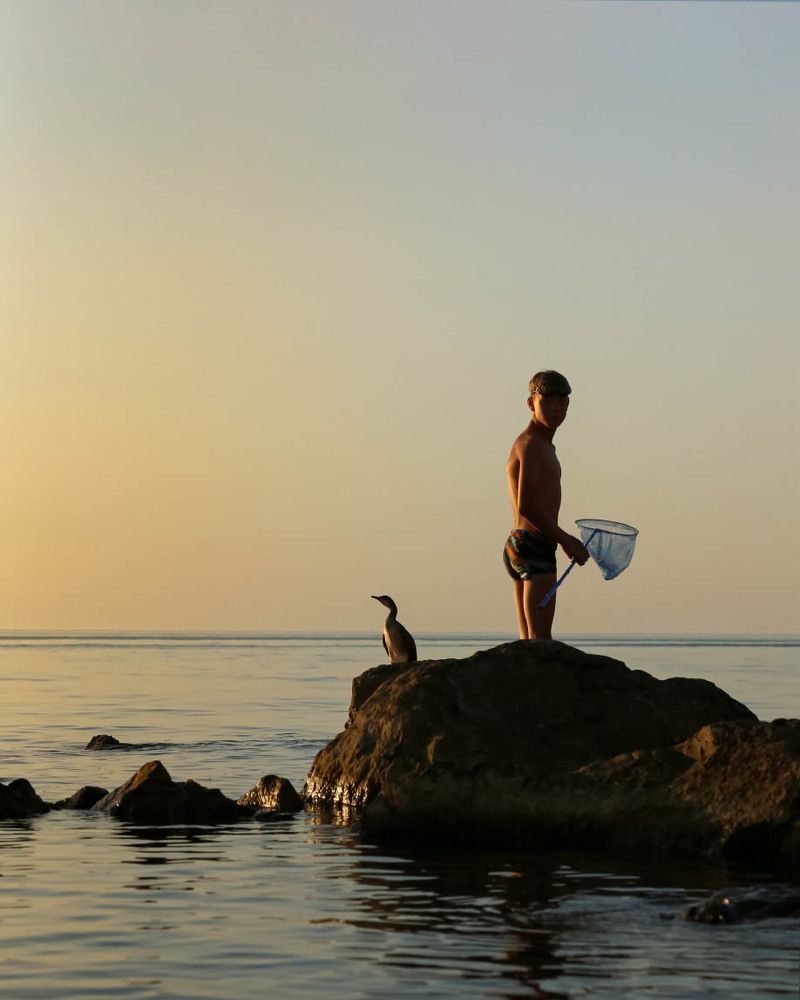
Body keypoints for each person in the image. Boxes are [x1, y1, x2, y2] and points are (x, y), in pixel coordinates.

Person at [504, 370, 589, 640]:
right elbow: (526, 505)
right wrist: (566, 540)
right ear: (532, 403)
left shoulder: (543, 445)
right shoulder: (530, 445)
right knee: (540, 643)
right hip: (533, 545)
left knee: (527, 643)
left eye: (561, 401)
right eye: (547, 400)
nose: (555, 407)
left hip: (524, 544)